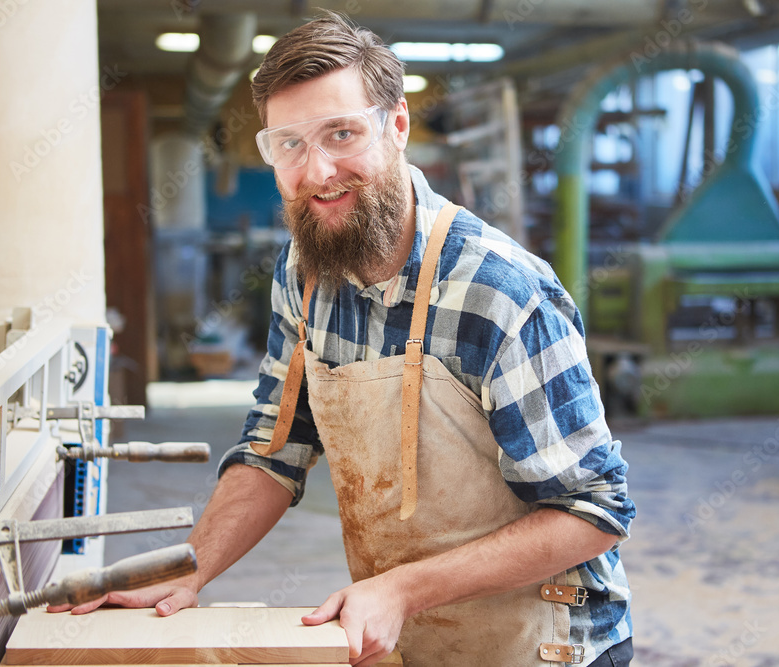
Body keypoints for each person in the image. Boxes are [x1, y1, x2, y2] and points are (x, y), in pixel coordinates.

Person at [51, 12, 635, 667]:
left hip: (546, 643)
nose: (318, 170)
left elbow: (594, 510)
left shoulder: (500, 290)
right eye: (289, 145)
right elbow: (273, 451)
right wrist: (189, 567)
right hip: (411, 633)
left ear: (398, 126)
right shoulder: (302, 274)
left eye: (342, 133)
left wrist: (403, 587)